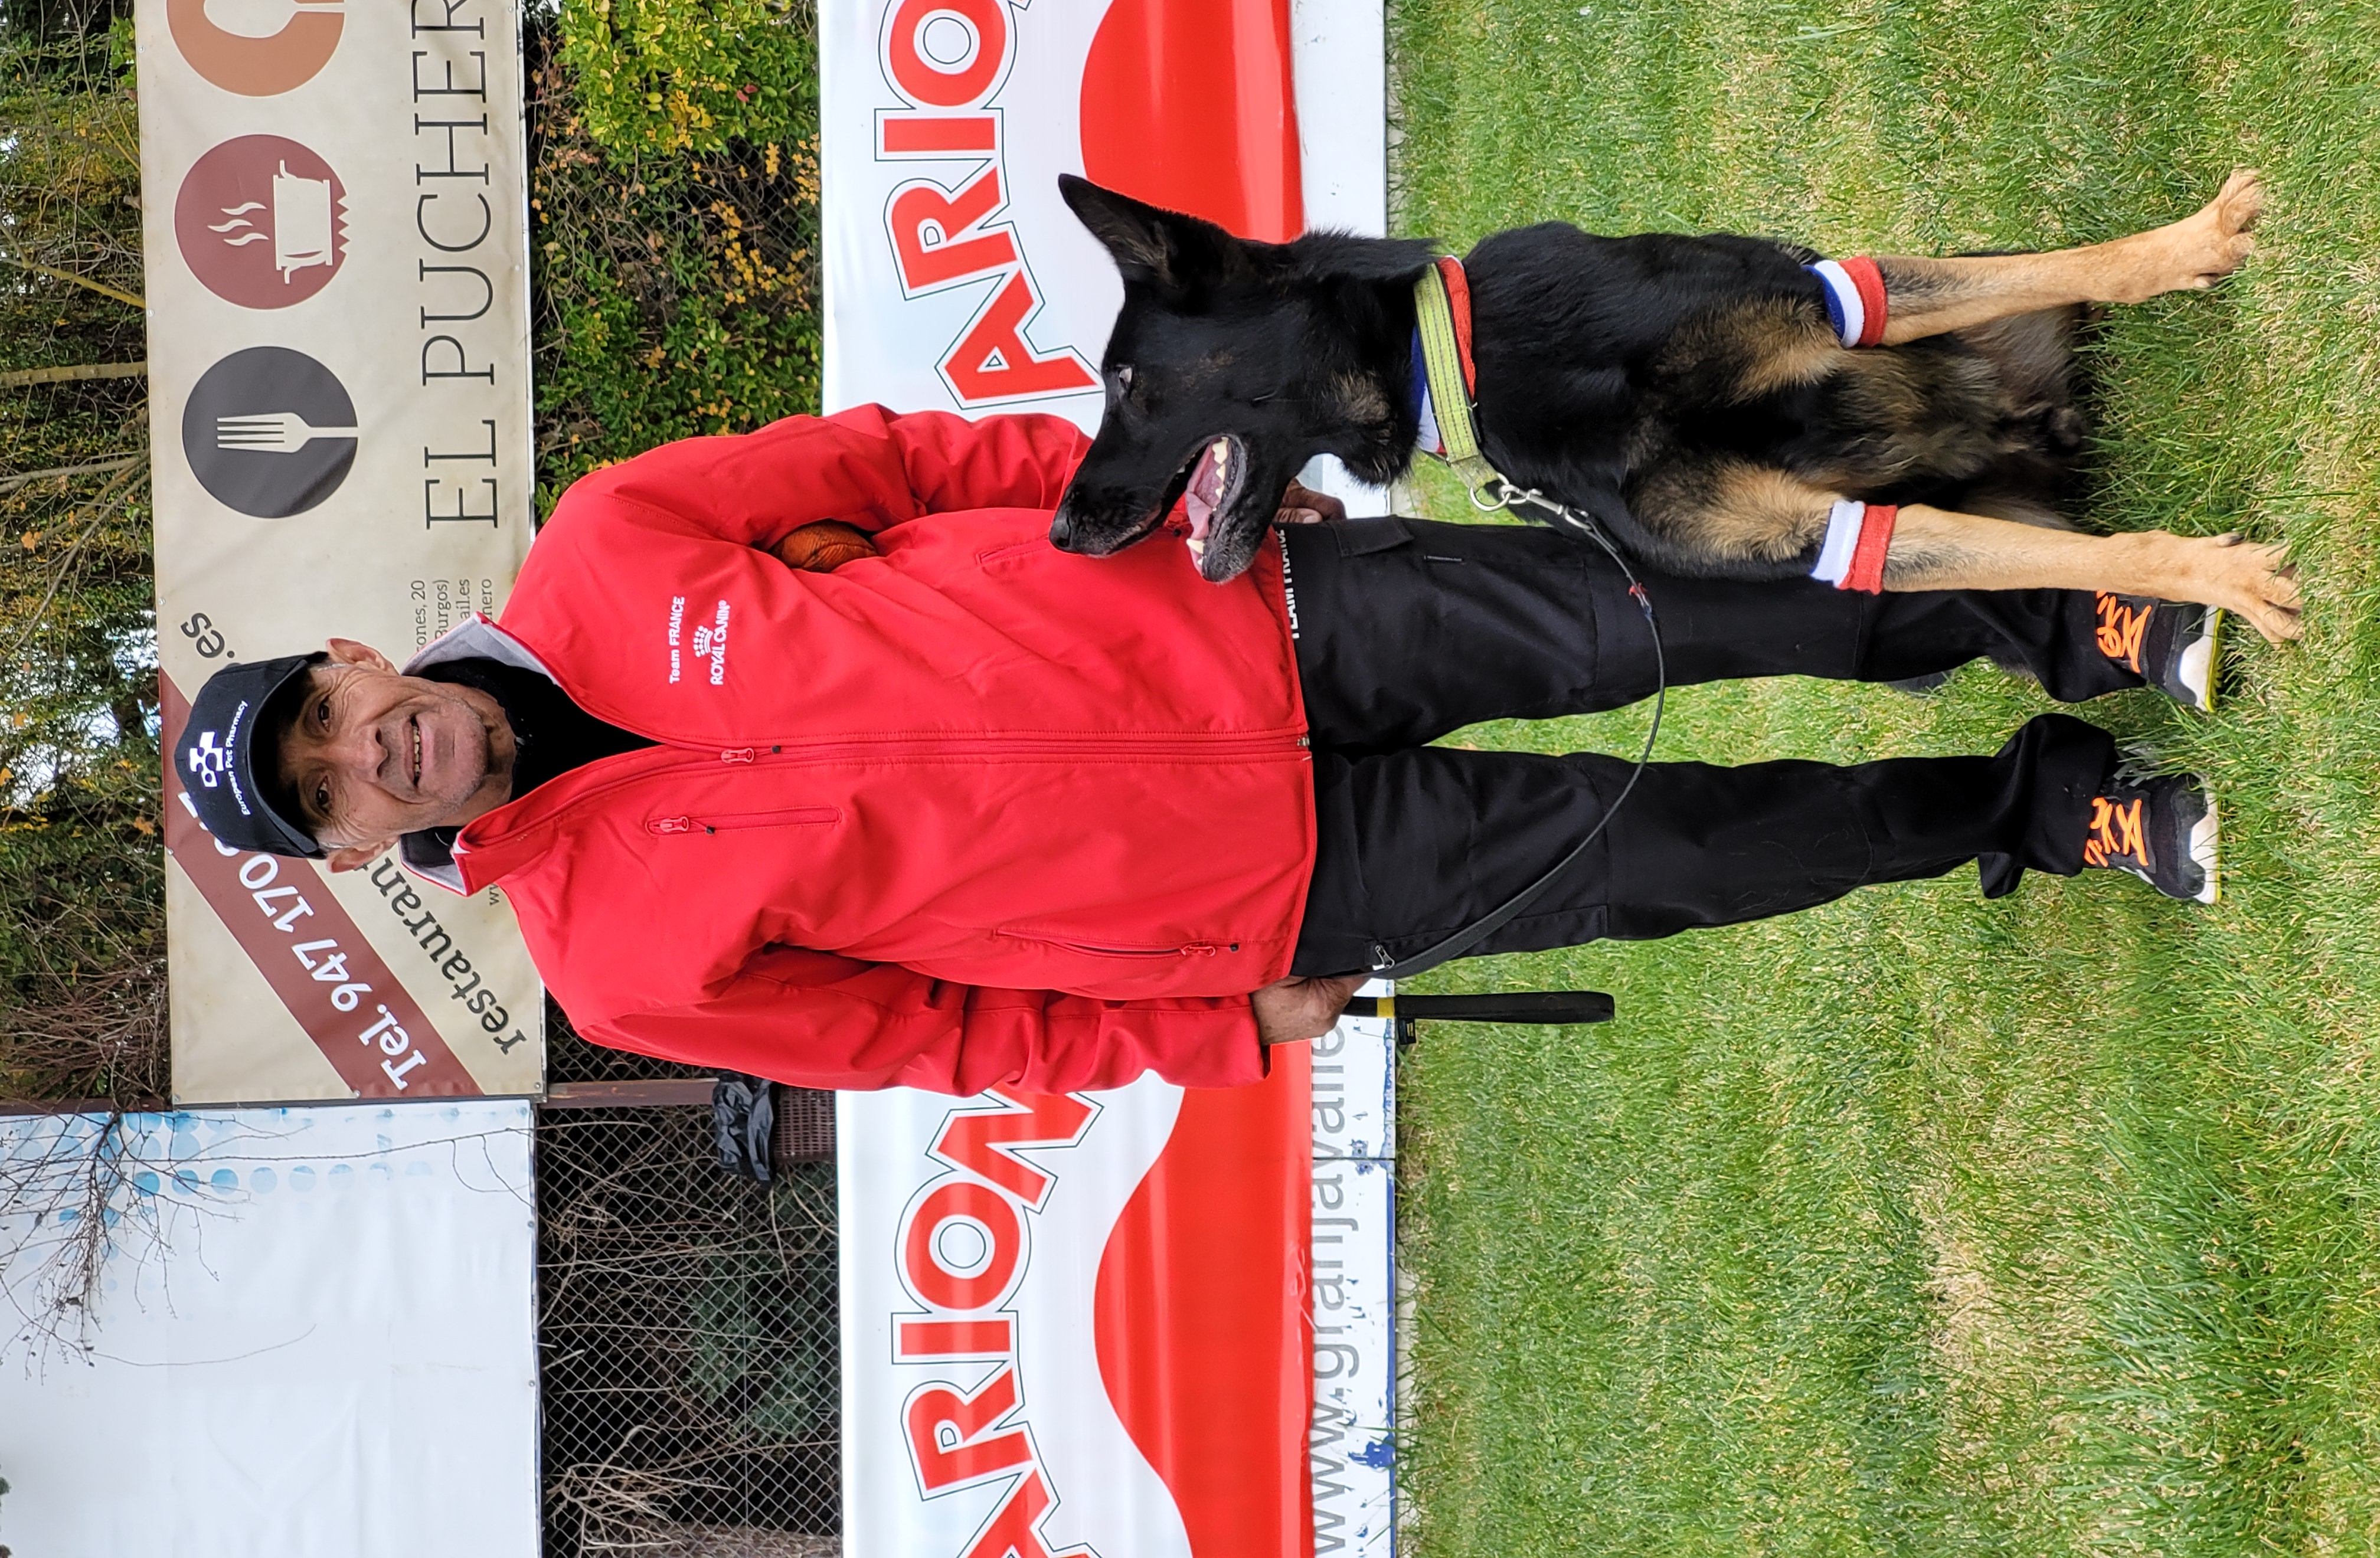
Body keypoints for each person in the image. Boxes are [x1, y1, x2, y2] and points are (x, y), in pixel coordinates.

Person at [176, 407, 2227, 1094]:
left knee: (1657, 608)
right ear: (364, 855)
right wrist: (1221, 1033)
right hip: (1264, 890)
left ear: (358, 656)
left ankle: (2066, 611)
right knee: (1679, 856)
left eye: (334, 719)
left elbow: (920, 459)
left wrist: (1181, 488)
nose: (377, 756)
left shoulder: (616, 535)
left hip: (1255, 612)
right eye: (336, 794)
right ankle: (2040, 806)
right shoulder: (615, 968)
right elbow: (949, 1038)